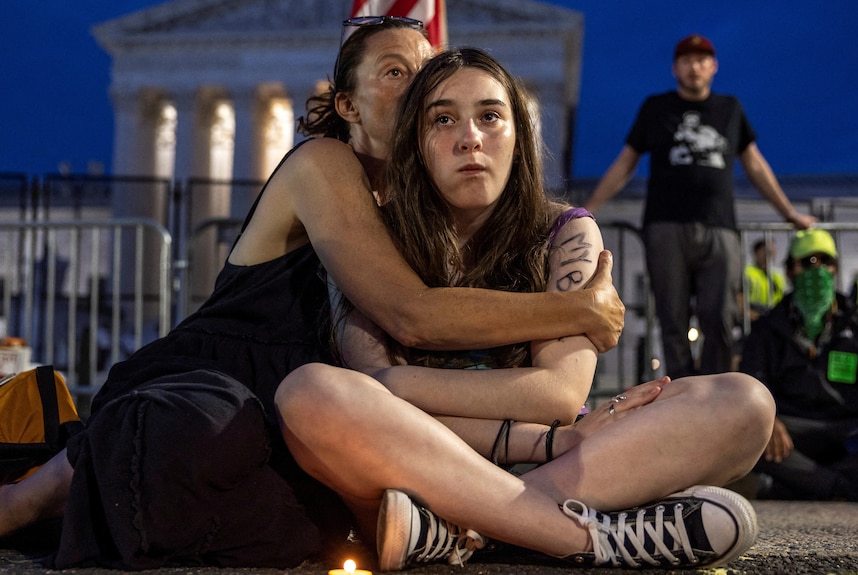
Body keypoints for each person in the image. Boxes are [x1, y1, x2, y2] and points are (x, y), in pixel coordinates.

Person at [0, 18, 627, 569]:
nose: (417, 88)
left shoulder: (416, 214)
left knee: (316, 521)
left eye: (425, 75)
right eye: (393, 72)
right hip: (214, 376)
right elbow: (412, 316)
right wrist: (578, 308)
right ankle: (29, 499)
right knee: (201, 433)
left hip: (306, 407)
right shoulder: (325, 161)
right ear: (348, 106)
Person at [277, 47, 776, 571]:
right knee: (310, 393)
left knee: (743, 402)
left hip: (532, 466)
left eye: (490, 116)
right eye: (443, 119)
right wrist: (553, 440)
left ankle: (458, 531)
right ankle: (585, 539)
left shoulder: (566, 231)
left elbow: (557, 394)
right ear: (415, 145)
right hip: (434, 465)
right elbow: (371, 399)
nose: (470, 137)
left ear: (519, 134)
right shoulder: (374, 236)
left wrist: (401, 386)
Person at [584, 33, 816, 379]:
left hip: (719, 226)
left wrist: (789, 213)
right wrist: (588, 209)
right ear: (675, 67)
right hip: (665, 226)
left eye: (702, 60)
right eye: (687, 60)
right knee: (671, 317)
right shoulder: (656, 108)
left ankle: (715, 394)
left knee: (719, 315)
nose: (695, 67)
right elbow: (625, 163)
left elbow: (755, 164)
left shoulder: (729, 109)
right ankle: (681, 393)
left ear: (714, 66)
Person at [740, 229, 858, 501]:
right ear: (790, 270)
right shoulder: (767, 329)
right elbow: (749, 384)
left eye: (825, 261)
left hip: (846, 429)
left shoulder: (856, 326)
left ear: (835, 268)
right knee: (744, 431)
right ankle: (840, 487)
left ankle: (797, 486)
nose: (817, 270)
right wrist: (768, 419)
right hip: (789, 433)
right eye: (808, 262)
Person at [743, 238, 786, 321]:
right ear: (756, 252)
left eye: (773, 252)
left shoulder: (778, 276)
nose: (770, 255)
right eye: (767, 252)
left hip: (773, 318)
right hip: (753, 318)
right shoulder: (746, 273)